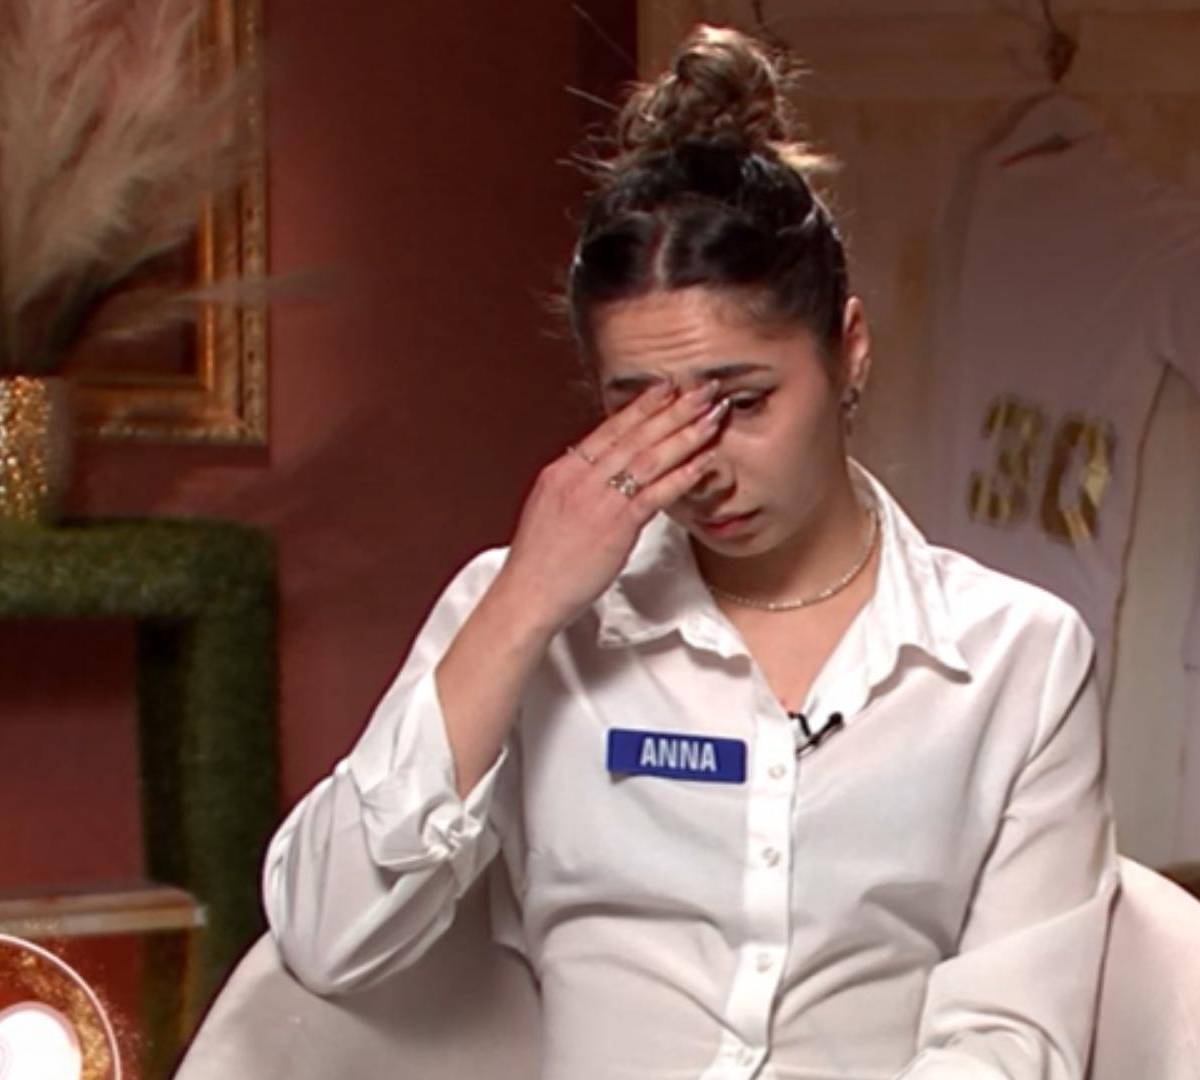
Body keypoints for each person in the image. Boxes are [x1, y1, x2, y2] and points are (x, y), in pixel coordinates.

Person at [262, 24, 1117, 1080]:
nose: (697, 465)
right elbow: (327, 939)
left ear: (849, 350)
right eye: (643, 413)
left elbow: (1011, 1037)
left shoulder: (1019, 658)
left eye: (743, 402)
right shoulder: (521, 616)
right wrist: (523, 606)